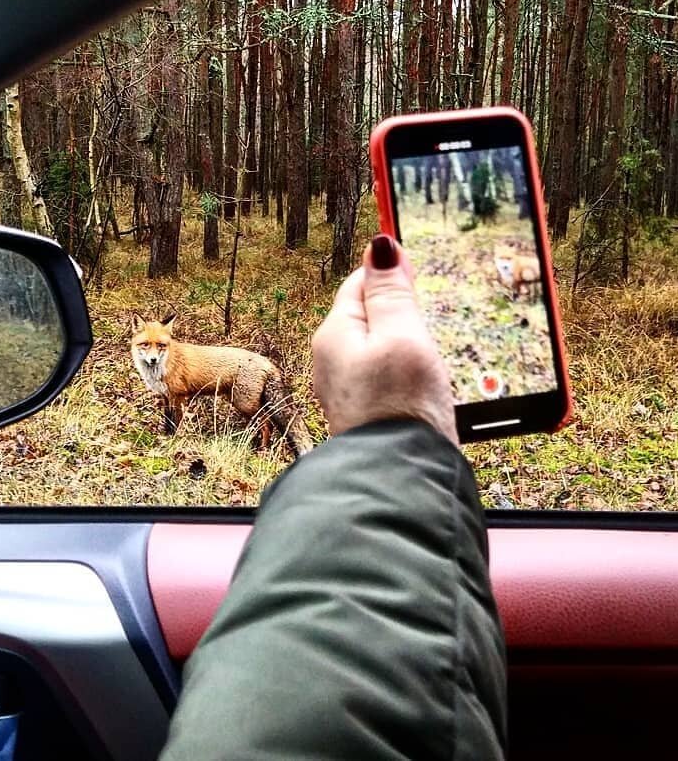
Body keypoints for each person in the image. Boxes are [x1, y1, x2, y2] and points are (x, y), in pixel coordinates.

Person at [159, 233, 507, 760]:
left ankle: (278, 442)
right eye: (146, 347)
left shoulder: (185, 362)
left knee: (260, 413)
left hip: (243, 372)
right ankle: (282, 440)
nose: (153, 354)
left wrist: (384, 430)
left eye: (158, 346)